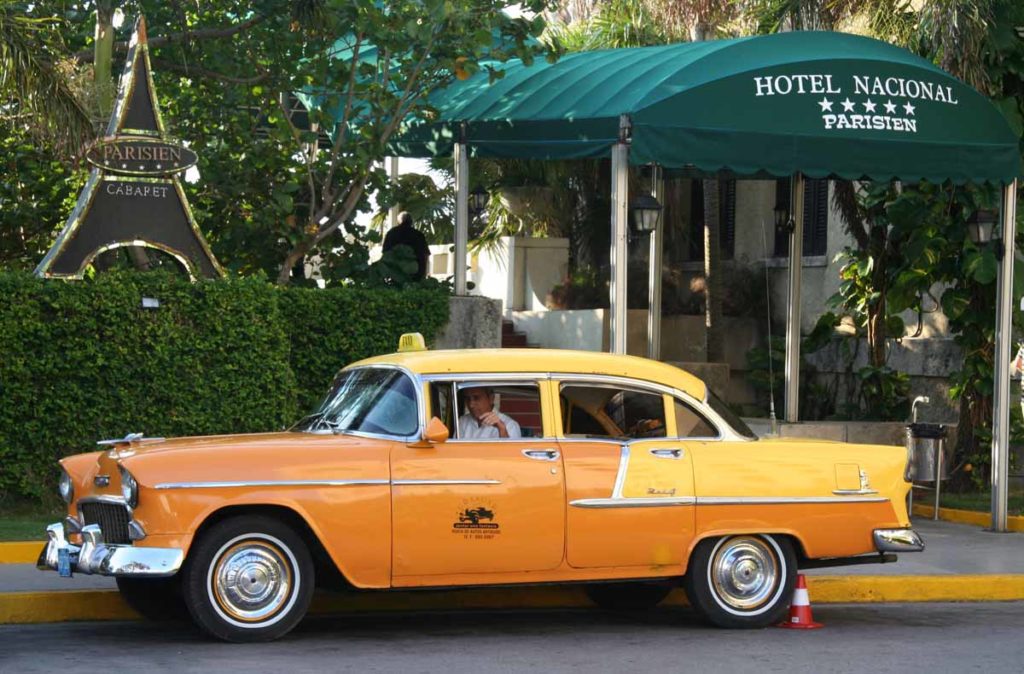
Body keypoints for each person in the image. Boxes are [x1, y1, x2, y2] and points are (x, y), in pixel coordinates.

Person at [382, 211, 430, 280]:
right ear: (411, 222)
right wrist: (424, 274)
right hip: (415, 274)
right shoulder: (418, 235)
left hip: (395, 272)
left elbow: (385, 253)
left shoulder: (391, 233)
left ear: (399, 221)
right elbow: (425, 254)